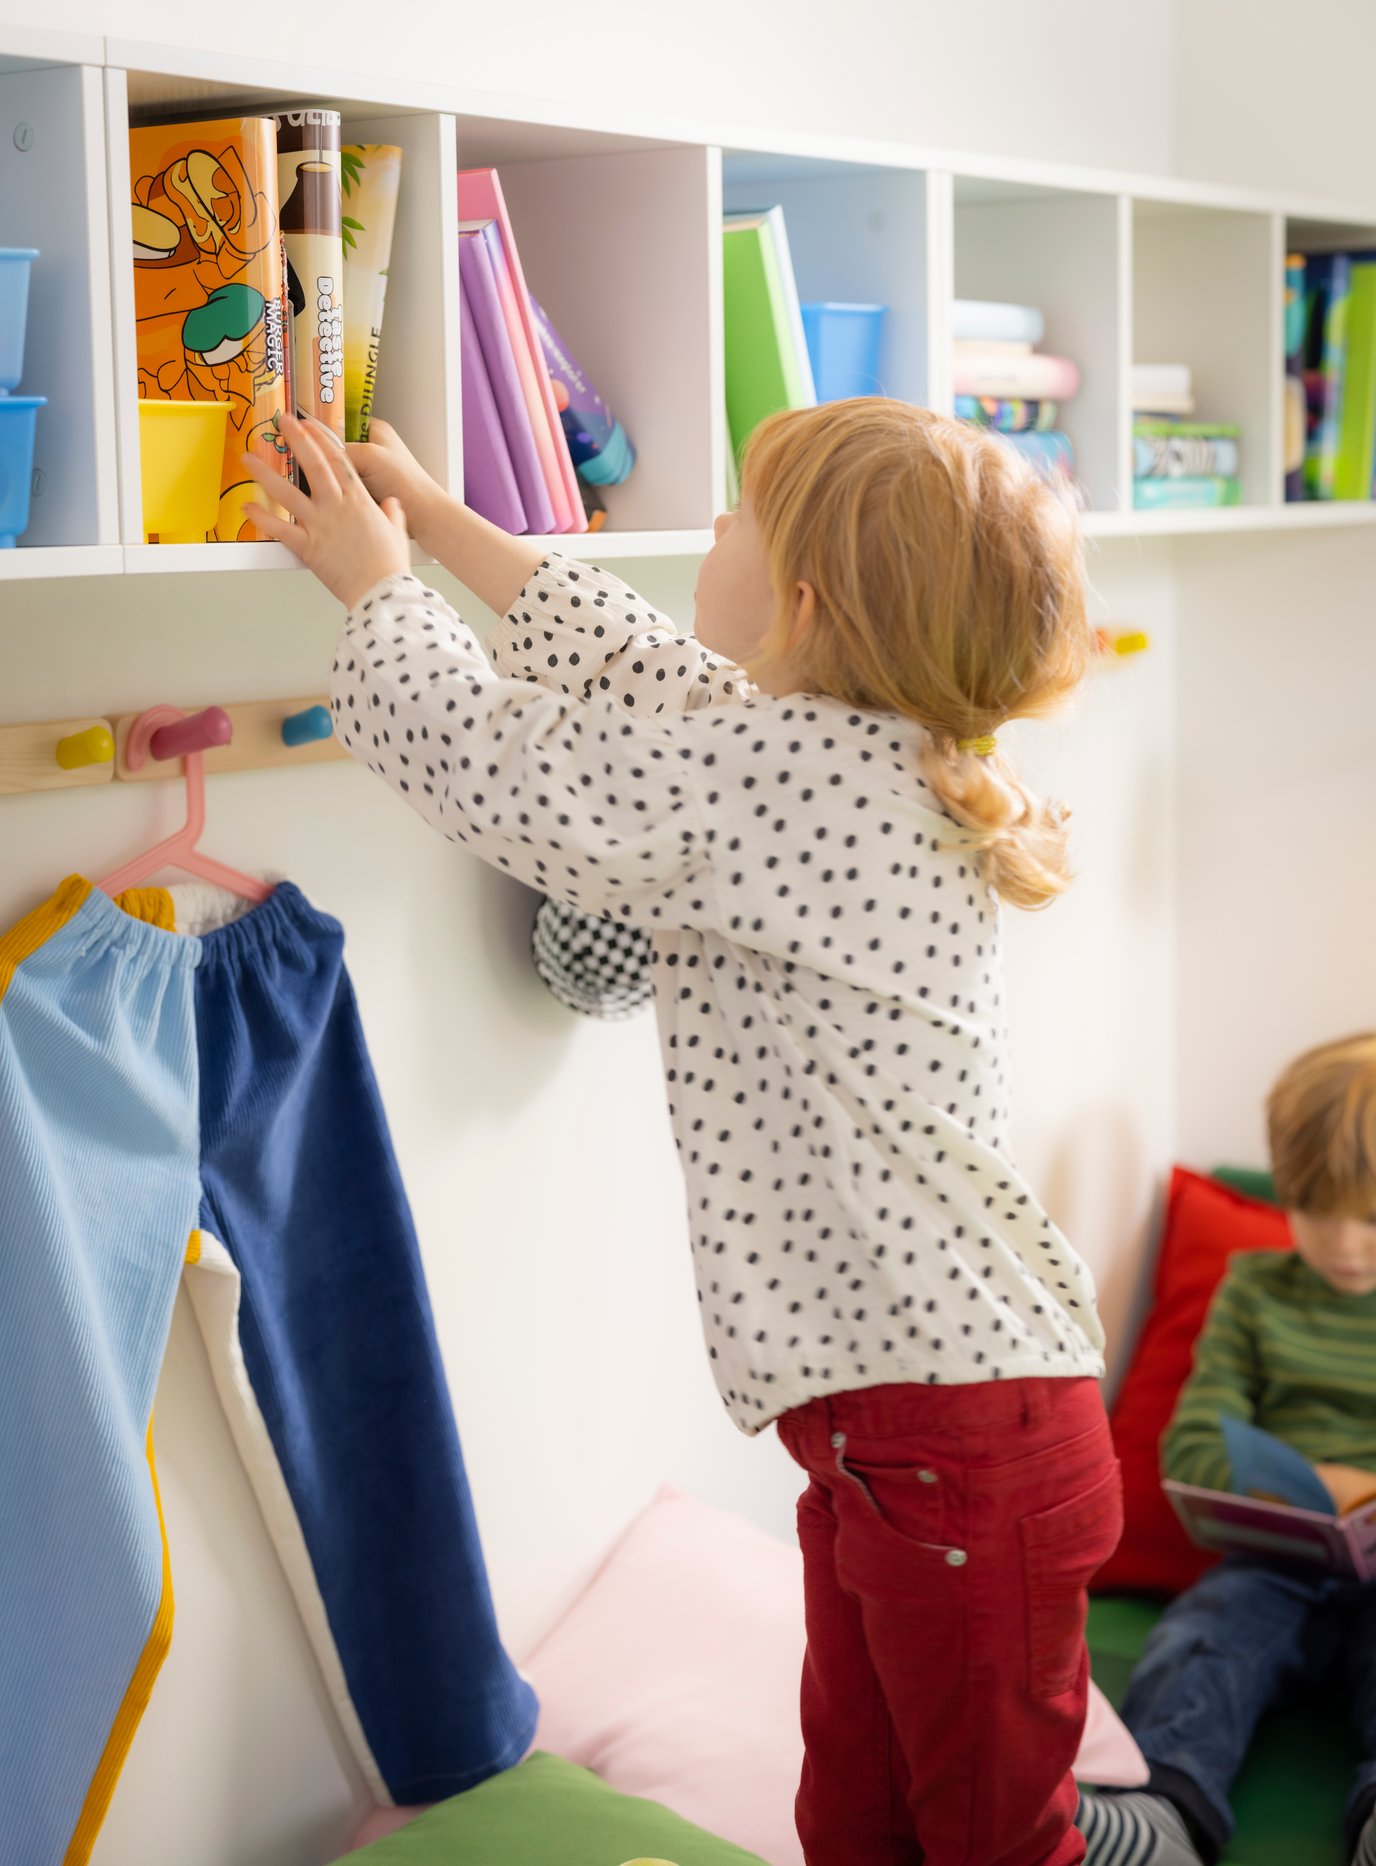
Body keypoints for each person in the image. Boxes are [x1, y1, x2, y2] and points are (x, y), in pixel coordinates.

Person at [245, 400, 1119, 1866]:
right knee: (850, 1811)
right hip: (899, 1434)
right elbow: (635, 663)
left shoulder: (793, 784)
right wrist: (439, 522)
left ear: (805, 603)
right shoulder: (834, 745)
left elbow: (499, 766)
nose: (707, 529)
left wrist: (376, 586)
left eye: (738, 515)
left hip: (955, 1434)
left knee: (984, 1838)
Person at [1076, 1034, 1376, 1866]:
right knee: (1205, 1637)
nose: (1343, 1243)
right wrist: (1290, 1489)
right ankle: (1162, 1814)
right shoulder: (1255, 1290)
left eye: (1375, 1218)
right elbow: (1193, 1445)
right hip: (1277, 1557)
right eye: (1316, 1209)